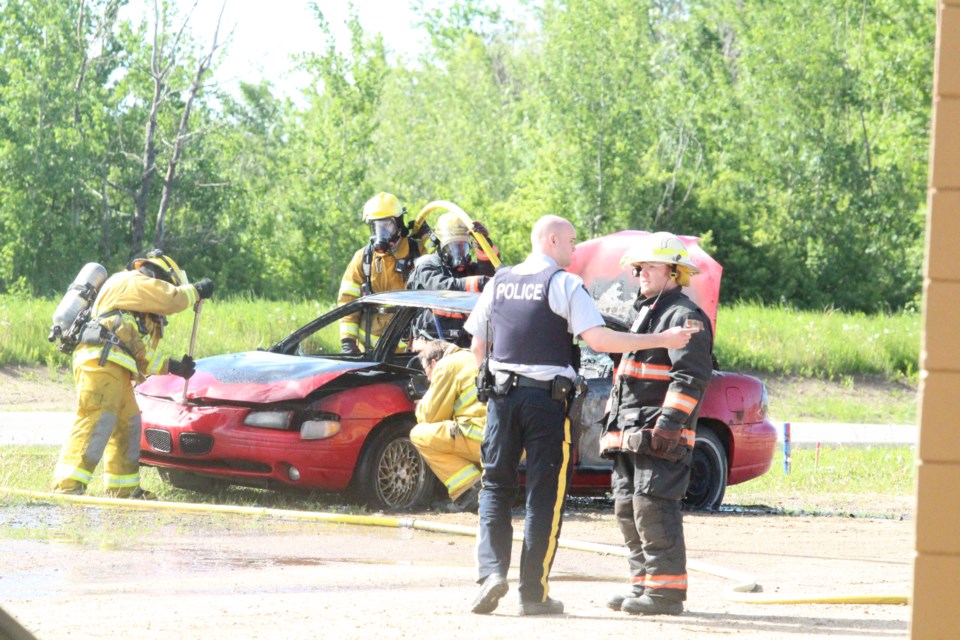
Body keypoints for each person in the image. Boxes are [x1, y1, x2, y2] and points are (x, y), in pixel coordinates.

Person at [463, 215, 696, 616]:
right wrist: (661, 339)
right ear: (552, 239)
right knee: (543, 499)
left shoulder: (498, 282)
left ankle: (490, 574)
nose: (574, 249)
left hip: (501, 401)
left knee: (495, 490)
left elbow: (478, 348)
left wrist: (499, 385)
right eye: (571, 241)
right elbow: (600, 339)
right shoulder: (564, 284)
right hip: (545, 404)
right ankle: (532, 594)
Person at [599, 232, 714, 616]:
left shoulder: (685, 317)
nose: (640, 273)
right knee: (627, 509)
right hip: (630, 435)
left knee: (654, 509)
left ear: (675, 272)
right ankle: (643, 584)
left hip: (659, 435)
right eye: (639, 266)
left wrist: (668, 425)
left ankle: (666, 593)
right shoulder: (645, 313)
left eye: (650, 266)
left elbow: (690, 377)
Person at [52, 250, 215, 498]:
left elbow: (141, 354)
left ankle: (123, 489)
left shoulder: (139, 310)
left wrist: (173, 366)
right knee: (96, 418)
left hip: (115, 366)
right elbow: (172, 299)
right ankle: (67, 486)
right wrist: (196, 291)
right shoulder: (130, 281)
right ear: (159, 275)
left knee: (127, 424)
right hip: (100, 362)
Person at [337, 192, 429, 355]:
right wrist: (348, 341)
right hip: (372, 351)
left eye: (387, 225)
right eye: (376, 226)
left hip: (410, 352)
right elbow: (348, 302)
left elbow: (443, 272)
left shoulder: (418, 252)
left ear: (399, 225)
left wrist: (429, 237)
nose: (381, 232)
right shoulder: (363, 259)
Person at [409, 339, 485, 513]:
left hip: (481, 438)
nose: (429, 379)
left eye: (428, 374)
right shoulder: (472, 357)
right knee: (454, 429)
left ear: (434, 363)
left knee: (419, 434)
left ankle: (469, 491)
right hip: (512, 441)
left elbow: (430, 416)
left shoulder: (447, 365)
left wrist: (421, 404)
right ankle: (485, 490)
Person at [406, 213, 498, 346]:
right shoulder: (426, 268)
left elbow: (490, 273)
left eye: (463, 247)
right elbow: (444, 288)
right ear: (441, 245)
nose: (460, 253)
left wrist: (483, 243)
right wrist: (479, 282)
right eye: (453, 247)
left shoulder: (468, 269)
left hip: (464, 343)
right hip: (431, 344)